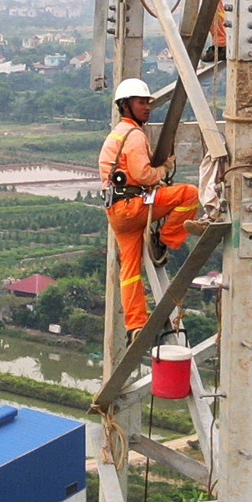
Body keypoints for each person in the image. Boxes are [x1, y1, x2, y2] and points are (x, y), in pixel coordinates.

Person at [98, 78, 201, 339]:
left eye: (148, 102)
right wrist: (164, 169)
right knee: (190, 195)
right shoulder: (133, 136)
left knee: (130, 270)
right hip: (134, 207)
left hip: (117, 213)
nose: (147, 107)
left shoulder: (116, 135)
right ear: (125, 105)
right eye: (141, 102)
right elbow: (143, 174)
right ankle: (164, 240)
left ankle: (135, 326)